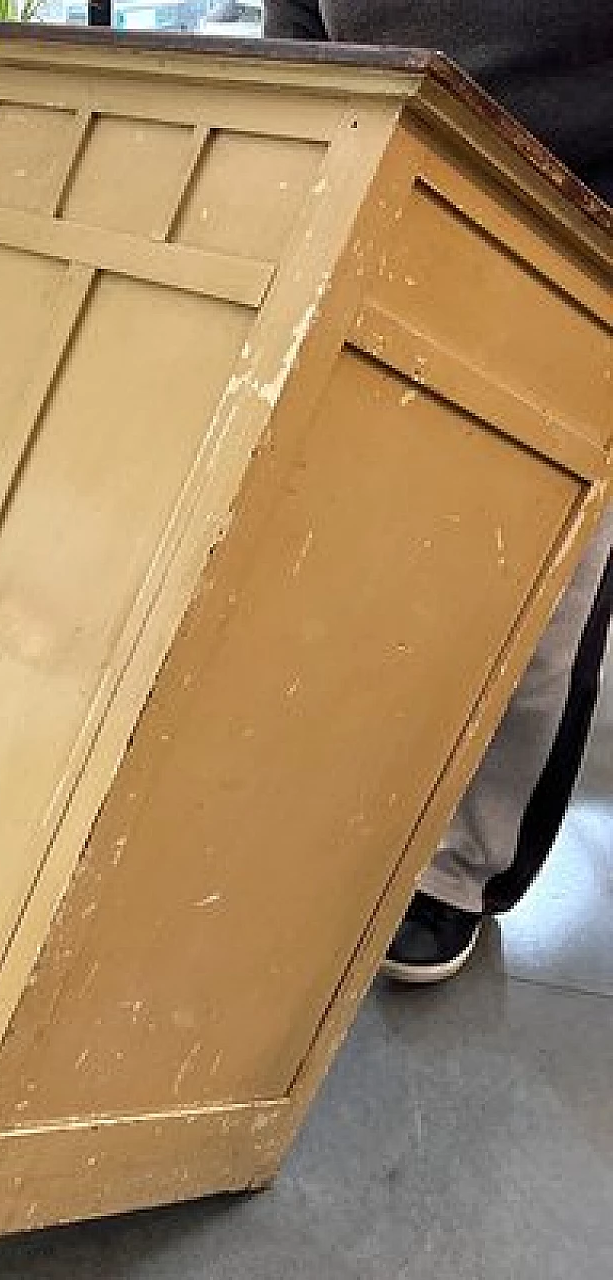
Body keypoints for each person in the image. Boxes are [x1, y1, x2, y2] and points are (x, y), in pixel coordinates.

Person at [263, 0, 613, 984]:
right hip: (389, 200)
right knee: (365, 553)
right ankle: (348, 816)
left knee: (540, 602)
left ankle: (462, 866)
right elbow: (296, 29)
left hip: (584, 232)